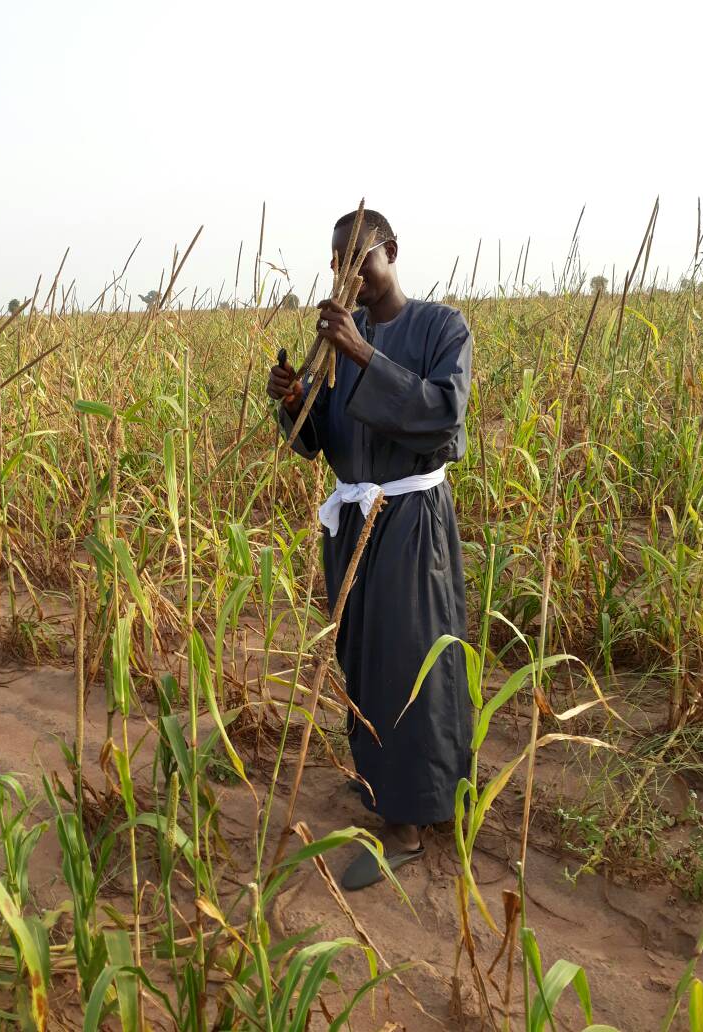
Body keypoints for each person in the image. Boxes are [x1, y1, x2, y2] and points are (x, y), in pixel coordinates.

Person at [267, 209, 473, 890]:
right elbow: (322, 436)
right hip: (356, 522)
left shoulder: (440, 327)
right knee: (363, 655)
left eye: (358, 257)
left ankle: (411, 823)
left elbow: (442, 415)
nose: (347, 272)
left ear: (391, 252)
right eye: (336, 260)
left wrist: (361, 353)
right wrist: (294, 398)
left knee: (408, 659)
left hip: (411, 521)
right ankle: (383, 785)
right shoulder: (343, 341)